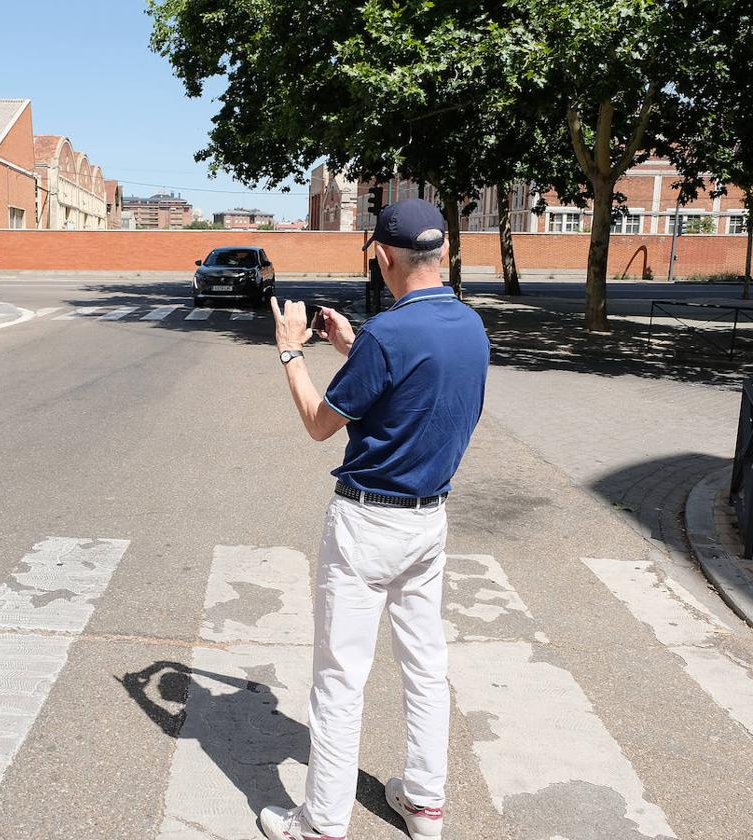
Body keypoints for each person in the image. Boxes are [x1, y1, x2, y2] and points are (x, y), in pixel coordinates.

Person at [259, 198, 490, 840]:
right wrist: (353, 346)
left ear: (384, 257)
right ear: (441, 252)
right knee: (424, 665)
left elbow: (318, 423)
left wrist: (291, 353)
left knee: (340, 676)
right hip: (428, 522)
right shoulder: (470, 327)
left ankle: (324, 823)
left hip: (367, 524)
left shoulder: (390, 334)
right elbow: (417, 390)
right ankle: (425, 804)